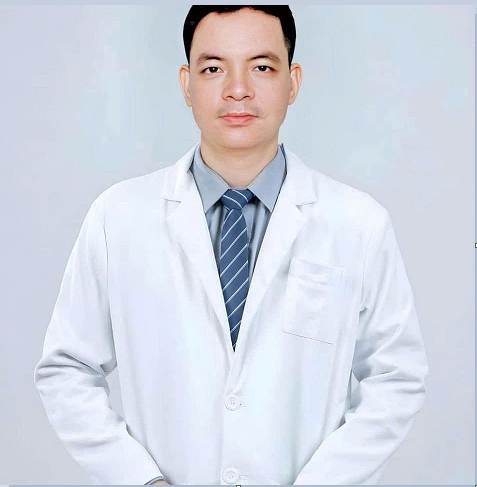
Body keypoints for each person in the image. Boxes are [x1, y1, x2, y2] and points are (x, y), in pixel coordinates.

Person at [34, 5, 429, 486]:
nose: (237, 89)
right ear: (186, 84)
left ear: (293, 82)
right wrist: (140, 481)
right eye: (213, 69)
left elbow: (396, 378)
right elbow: (67, 368)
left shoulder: (358, 224)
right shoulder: (117, 217)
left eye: (261, 67)